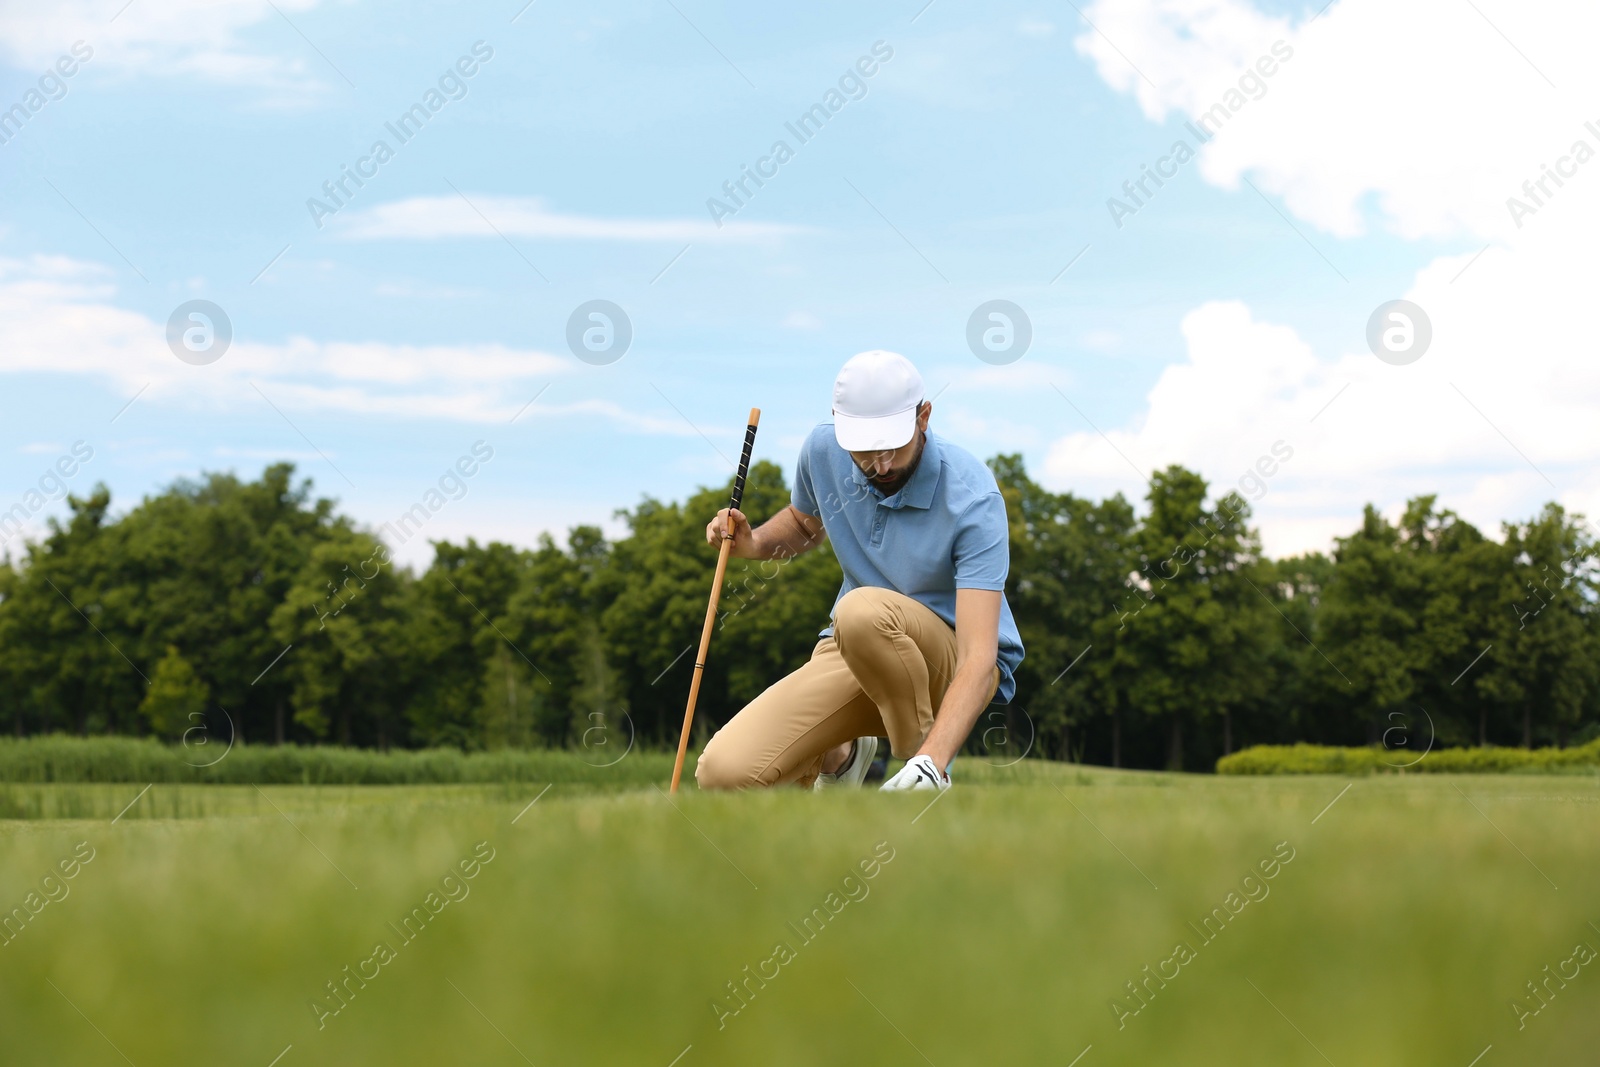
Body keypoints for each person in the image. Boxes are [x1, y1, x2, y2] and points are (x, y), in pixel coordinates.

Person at [695, 350, 1025, 792]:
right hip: (856, 647)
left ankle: (922, 770)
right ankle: (845, 758)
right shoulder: (823, 448)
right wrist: (754, 544)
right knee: (724, 773)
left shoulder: (973, 498)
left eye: (892, 448)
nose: (879, 465)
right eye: (865, 452)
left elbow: (980, 659)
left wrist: (932, 758)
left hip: (949, 663)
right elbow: (803, 525)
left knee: (860, 611)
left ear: (923, 417)